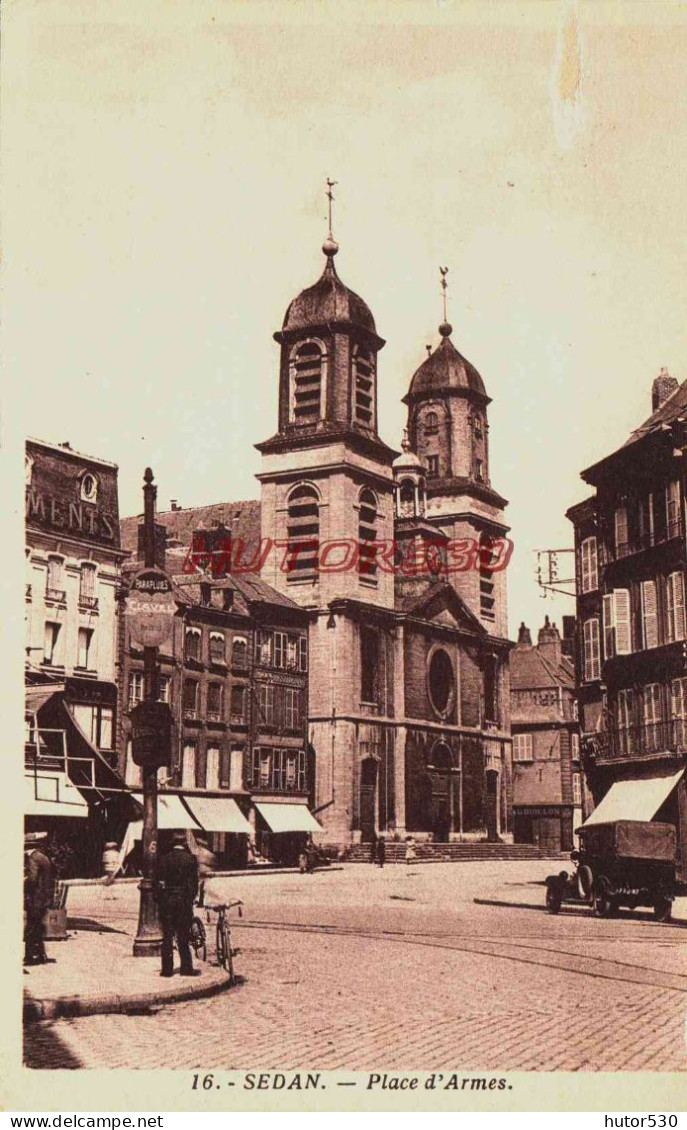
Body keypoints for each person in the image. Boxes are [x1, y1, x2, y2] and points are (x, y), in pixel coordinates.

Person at [156, 831, 200, 978]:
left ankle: (167, 970)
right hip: (183, 900)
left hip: (167, 900)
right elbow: (194, 885)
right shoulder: (190, 860)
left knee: (167, 936)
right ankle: (186, 968)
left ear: (172, 843)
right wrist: (190, 899)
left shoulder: (163, 859)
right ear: (184, 843)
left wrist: (160, 900)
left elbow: (159, 883)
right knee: (183, 935)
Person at [24, 831, 55, 966]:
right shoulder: (43, 857)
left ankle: (30, 956)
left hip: (35, 899)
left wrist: (24, 883)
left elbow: (32, 879)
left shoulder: (33, 858)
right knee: (36, 927)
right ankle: (40, 954)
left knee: (31, 927)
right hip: (44, 898)